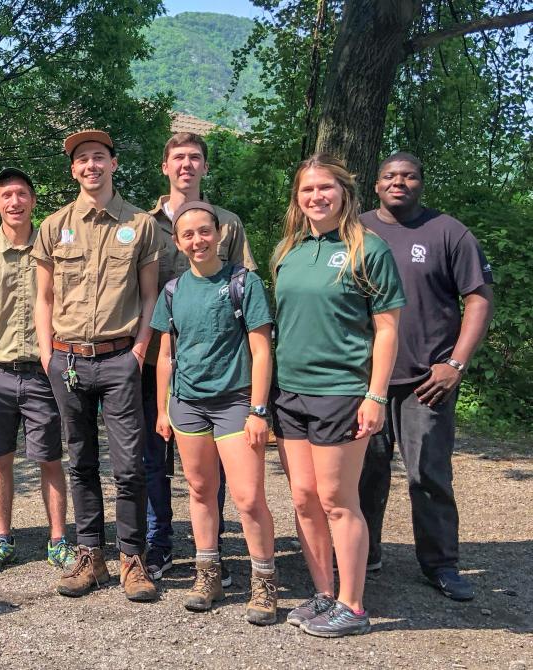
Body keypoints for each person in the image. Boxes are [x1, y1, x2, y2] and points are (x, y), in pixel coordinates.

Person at [271, 154, 405, 638]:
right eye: (307, 190)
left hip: (342, 392)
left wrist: (376, 395)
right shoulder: (290, 250)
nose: (316, 197)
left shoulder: (368, 249)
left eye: (325, 188)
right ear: (298, 198)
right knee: (304, 499)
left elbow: (387, 330)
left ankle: (354, 605)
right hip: (290, 394)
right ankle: (324, 594)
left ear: (345, 193)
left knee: (337, 500)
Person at [357, 152, 494, 601]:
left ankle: (441, 564)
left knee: (428, 474)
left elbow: (477, 298)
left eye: (409, 176)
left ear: (421, 184)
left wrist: (454, 363)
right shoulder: (354, 230)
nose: (399, 182)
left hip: (426, 378)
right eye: (390, 176)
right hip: (365, 378)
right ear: (376, 185)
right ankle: (365, 554)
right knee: (364, 472)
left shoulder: (448, 232)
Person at [31, 129, 159, 601]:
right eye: (83, 159)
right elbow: (42, 298)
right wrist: (47, 353)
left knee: (129, 466)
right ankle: (91, 556)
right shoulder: (54, 225)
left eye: (99, 157)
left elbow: (150, 297)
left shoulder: (139, 224)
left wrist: (139, 351)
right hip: (68, 361)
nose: (91, 165)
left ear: (113, 163)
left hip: (120, 358)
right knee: (81, 461)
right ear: (73, 169)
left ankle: (132, 558)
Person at [151, 201, 277, 624]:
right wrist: (165, 409)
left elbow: (261, 349)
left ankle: (263, 582)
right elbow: (166, 354)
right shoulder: (173, 290)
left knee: (247, 497)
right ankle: (209, 575)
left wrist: (259, 410)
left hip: (235, 403)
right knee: (201, 491)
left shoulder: (244, 283)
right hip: (187, 405)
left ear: (219, 233)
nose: (197, 240)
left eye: (204, 232)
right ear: (178, 241)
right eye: (188, 235)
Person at [144, 133, 258, 581]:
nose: (186, 165)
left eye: (195, 158)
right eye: (178, 158)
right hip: (160, 360)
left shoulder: (228, 223)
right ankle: (159, 545)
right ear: (164, 167)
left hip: (220, 369)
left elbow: (246, 290)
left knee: (215, 470)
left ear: (205, 168)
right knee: (156, 459)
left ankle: (211, 554)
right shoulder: (142, 222)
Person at [0, 167, 71, 574]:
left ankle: (58, 540)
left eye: (21, 194)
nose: (14, 202)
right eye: (6, 196)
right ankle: (3, 539)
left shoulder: (54, 249)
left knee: (50, 457)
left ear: (33, 201)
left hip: (42, 374)